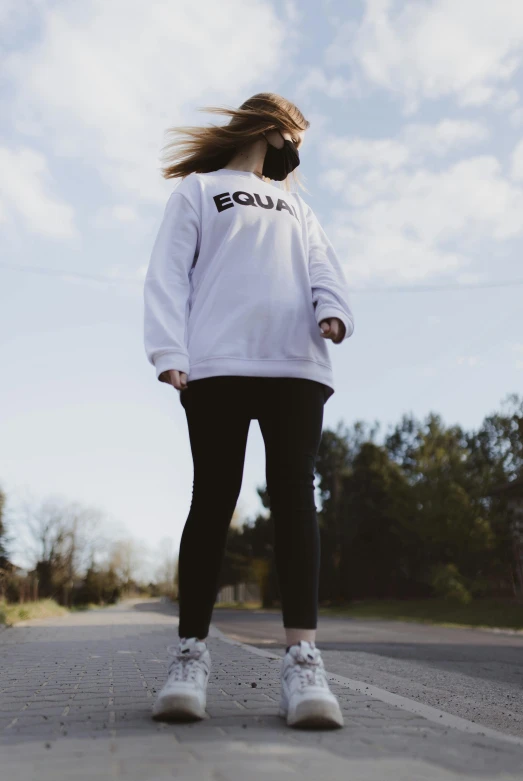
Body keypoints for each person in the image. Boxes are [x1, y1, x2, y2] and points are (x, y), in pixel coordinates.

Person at [143, 92, 354, 729]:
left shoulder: (298, 206)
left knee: (295, 497)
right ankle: (189, 657)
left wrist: (333, 309)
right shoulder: (200, 191)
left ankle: (303, 664)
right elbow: (168, 272)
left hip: (296, 364)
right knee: (213, 495)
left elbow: (323, 266)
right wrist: (167, 347)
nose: (299, 153)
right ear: (272, 128)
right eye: (297, 138)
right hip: (217, 363)